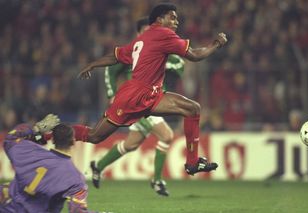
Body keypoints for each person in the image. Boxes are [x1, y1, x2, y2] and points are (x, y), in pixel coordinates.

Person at [73, 3, 227, 178]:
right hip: (133, 97)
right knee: (95, 136)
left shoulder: (142, 39)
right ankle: (48, 134)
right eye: (172, 17)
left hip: (152, 95)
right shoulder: (164, 34)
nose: (176, 20)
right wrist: (216, 44)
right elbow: (195, 55)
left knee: (192, 109)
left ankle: (192, 162)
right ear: (160, 20)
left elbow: (115, 56)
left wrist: (92, 64)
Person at [90, 17, 185, 196]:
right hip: (138, 103)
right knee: (167, 135)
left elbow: (180, 62)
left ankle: (98, 166)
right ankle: (157, 180)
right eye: (145, 31)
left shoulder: (160, 47)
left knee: (131, 144)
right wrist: (111, 95)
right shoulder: (134, 50)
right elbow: (110, 69)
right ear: (138, 33)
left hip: (153, 101)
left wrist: (168, 63)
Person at [0, 114, 108, 213]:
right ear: (73, 141)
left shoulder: (31, 150)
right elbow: (77, 210)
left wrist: (36, 129)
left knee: (6, 187)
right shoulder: (75, 179)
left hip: (7, 206)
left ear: (52, 140)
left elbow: (11, 138)